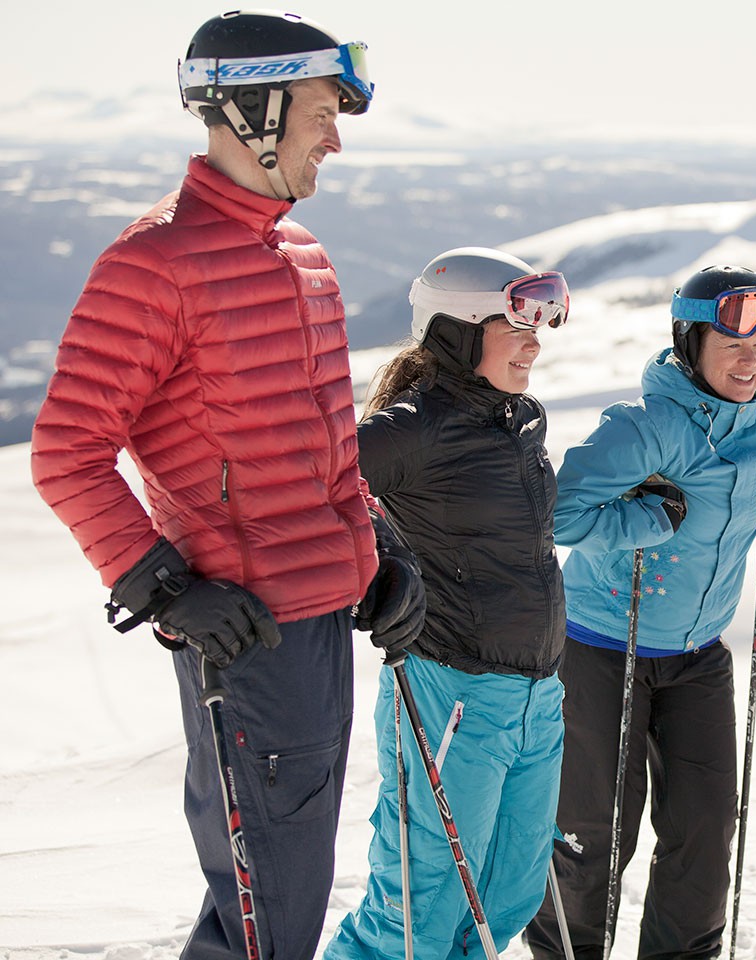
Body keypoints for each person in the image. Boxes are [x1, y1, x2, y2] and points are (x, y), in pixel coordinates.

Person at [29, 12, 425, 960]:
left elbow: (323, 454)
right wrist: (165, 586)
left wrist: (378, 556)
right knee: (264, 910)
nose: (336, 137)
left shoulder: (303, 260)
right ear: (253, 109)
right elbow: (66, 449)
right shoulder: (153, 265)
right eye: (322, 112)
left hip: (321, 621)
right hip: (244, 632)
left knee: (291, 891)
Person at [524, 265, 756, 960]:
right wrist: (642, 519)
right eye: (732, 341)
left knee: (704, 834)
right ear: (690, 340)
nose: (751, 355)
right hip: (602, 645)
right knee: (594, 832)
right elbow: (559, 516)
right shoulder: (645, 428)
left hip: (700, 655)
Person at [325, 248, 572, 958]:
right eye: (515, 323)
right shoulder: (414, 426)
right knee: (418, 909)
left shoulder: (520, 418)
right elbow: (317, 486)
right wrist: (373, 565)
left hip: (536, 697)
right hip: (450, 692)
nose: (534, 340)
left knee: (504, 900)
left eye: (541, 323)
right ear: (459, 331)